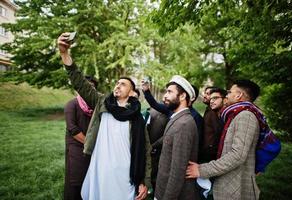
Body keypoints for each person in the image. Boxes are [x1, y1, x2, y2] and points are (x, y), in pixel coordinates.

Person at [58, 32, 147, 200]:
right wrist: (64, 53)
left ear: (132, 92)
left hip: (125, 174)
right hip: (101, 170)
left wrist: (142, 181)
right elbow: (80, 83)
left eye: (123, 84)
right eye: (117, 83)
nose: (118, 85)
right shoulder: (103, 103)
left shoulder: (137, 118)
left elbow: (143, 151)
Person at [186, 79, 261, 200]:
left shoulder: (245, 116)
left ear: (238, 95)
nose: (227, 95)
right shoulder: (237, 114)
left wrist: (202, 170)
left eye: (230, 92)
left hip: (235, 187)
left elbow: (238, 155)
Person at [155, 75, 199, 200]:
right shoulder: (177, 118)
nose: (165, 96)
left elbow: (178, 170)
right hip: (162, 188)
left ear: (183, 96)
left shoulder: (184, 124)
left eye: (169, 92)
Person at [64, 76, 98, 200]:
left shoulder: (96, 107)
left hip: (92, 150)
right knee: (76, 181)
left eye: (92, 87)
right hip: (76, 148)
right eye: (86, 86)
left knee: (91, 181)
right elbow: (73, 130)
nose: (89, 89)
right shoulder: (71, 104)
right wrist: (91, 144)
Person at [199, 86, 222, 163]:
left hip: (210, 153)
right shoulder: (209, 110)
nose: (205, 96)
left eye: (208, 94)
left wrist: (211, 147)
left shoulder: (213, 112)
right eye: (205, 93)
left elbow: (218, 132)